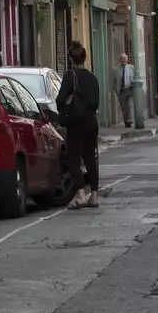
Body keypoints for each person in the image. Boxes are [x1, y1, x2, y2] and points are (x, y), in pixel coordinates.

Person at [56, 41, 102, 209]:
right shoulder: (92, 77)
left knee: (74, 159)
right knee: (90, 158)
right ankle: (94, 196)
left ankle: (81, 195)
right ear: (84, 58)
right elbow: (96, 102)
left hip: (76, 123)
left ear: (70, 59)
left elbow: (60, 99)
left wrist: (65, 110)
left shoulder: (70, 76)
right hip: (91, 121)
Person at [116, 53, 136, 128]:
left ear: (127, 60)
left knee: (130, 105)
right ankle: (126, 122)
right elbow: (114, 81)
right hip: (121, 91)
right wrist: (116, 91)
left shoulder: (131, 67)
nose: (123, 60)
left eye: (124, 58)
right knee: (124, 108)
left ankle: (130, 119)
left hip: (130, 90)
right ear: (119, 60)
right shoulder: (116, 69)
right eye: (121, 58)